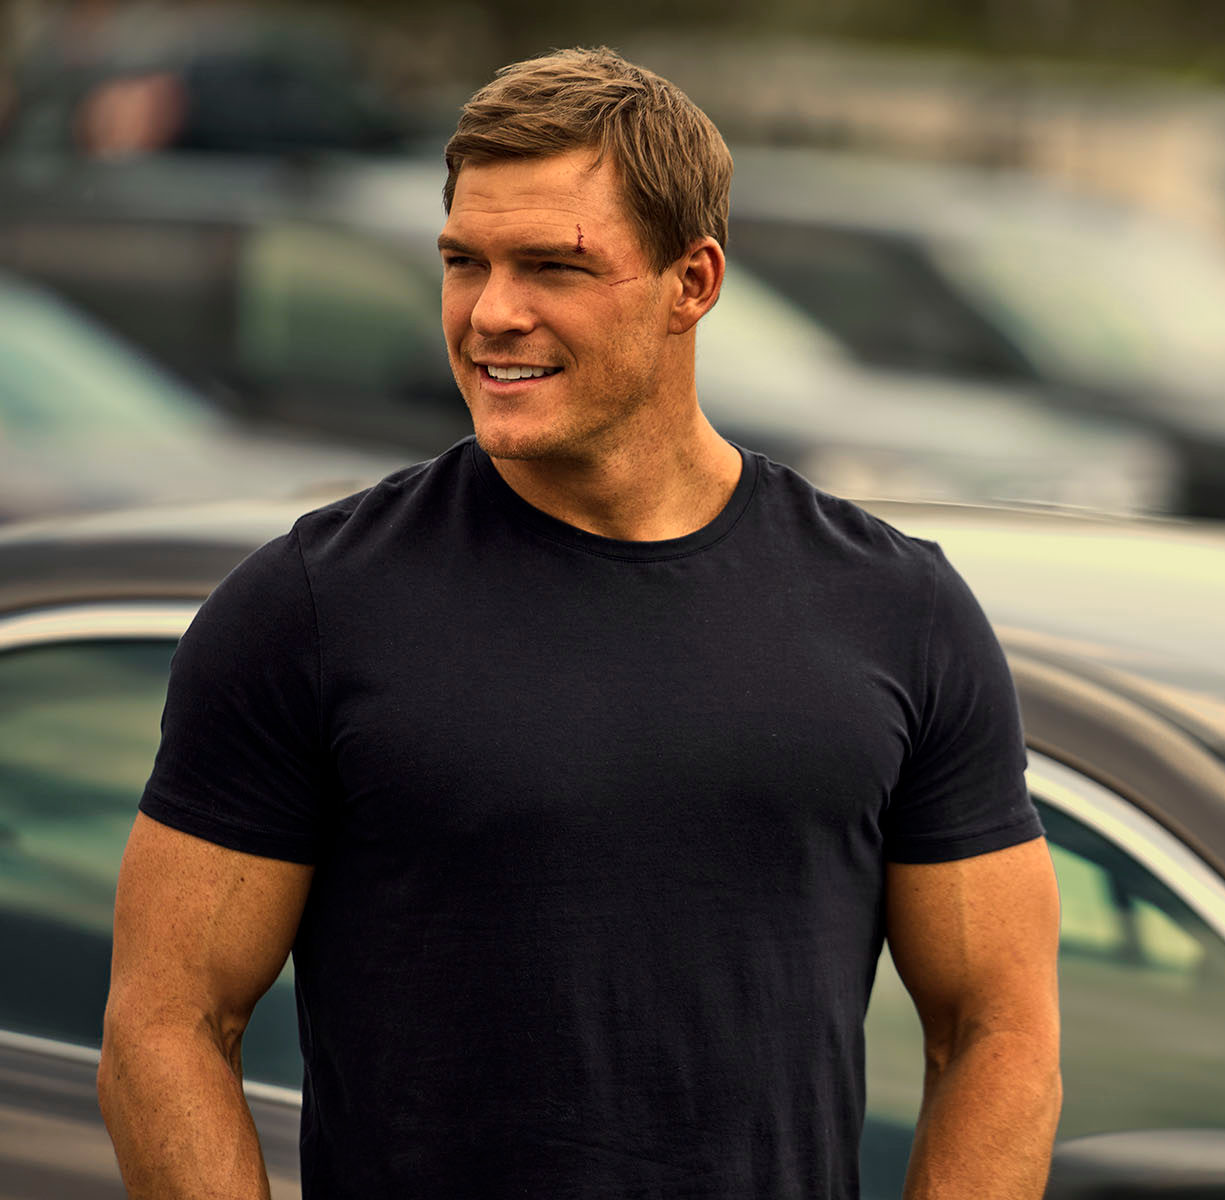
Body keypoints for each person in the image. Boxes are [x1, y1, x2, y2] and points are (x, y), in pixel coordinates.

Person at [97, 46, 1061, 1199]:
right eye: (464, 262)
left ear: (691, 281)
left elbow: (997, 1031)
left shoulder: (898, 610)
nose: (492, 313)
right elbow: (167, 1024)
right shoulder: (308, 608)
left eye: (554, 266)